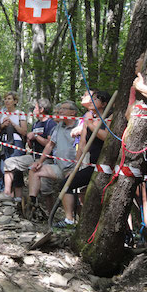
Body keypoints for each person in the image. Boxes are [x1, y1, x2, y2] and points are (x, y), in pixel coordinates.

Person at [54, 91, 111, 228]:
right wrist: (76, 166)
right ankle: (69, 219)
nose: (91, 100)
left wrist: (91, 124)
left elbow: (106, 136)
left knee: (106, 197)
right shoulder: (88, 119)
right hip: (93, 165)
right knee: (66, 184)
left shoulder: (111, 117)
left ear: (103, 103)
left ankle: (127, 231)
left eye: (96, 99)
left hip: (108, 166)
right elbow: (83, 145)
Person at [0, 98, 57, 202]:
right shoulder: (35, 124)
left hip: (47, 159)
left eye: (35, 108)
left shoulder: (50, 123)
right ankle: (7, 194)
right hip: (33, 157)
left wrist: (36, 136)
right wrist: (29, 139)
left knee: (45, 190)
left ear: (41, 109)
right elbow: (31, 143)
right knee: (9, 162)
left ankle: (49, 213)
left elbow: (50, 144)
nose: (33, 110)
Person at [27, 101, 79, 217]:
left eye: (64, 109)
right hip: (60, 167)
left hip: (75, 168)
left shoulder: (80, 125)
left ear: (73, 113)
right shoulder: (59, 126)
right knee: (34, 170)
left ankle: (71, 220)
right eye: (60, 109)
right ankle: (33, 202)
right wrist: (39, 162)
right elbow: (50, 145)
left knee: (75, 192)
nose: (60, 111)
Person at [0, 91, 27, 200]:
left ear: (15, 101)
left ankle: (18, 196)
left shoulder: (20, 113)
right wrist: (3, 125)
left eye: (9, 99)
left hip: (16, 142)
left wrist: (13, 123)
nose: (7, 101)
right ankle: (8, 194)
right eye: (6, 99)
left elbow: (24, 132)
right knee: (4, 168)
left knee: (16, 167)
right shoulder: (1, 114)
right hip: (4, 142)